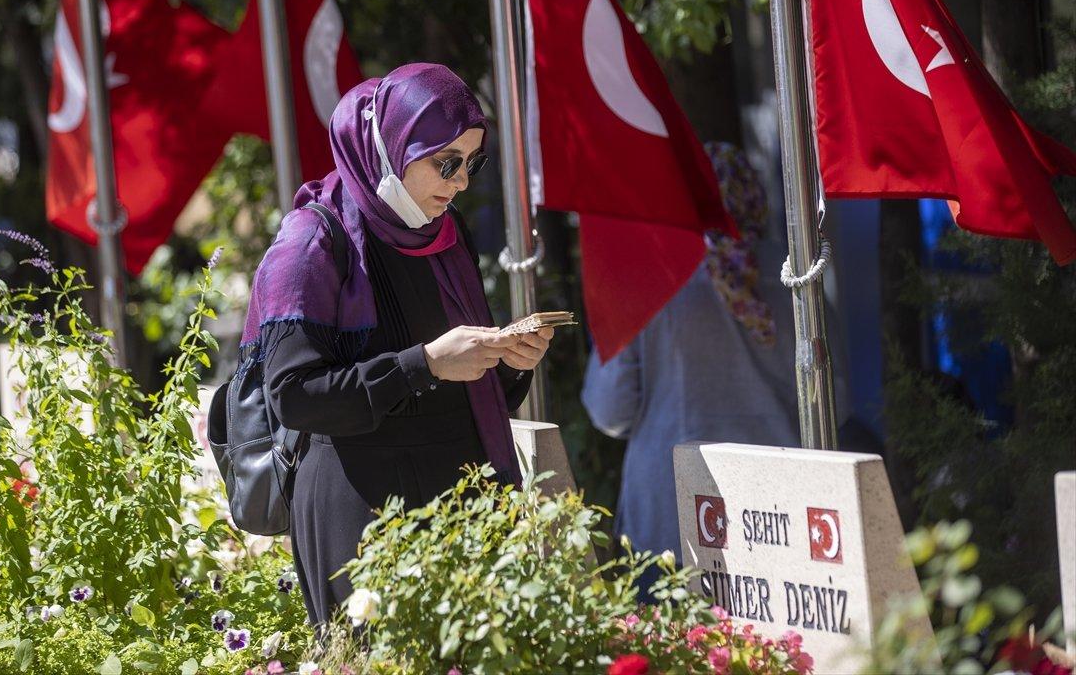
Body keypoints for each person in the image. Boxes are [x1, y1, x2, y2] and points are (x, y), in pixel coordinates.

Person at [241, 63, 554, 628]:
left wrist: (509, 362)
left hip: (462, 503)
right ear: (390, 147)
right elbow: (295, 396)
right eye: (446, 162)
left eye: (473, 163)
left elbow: (463, 389)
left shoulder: (443, 236)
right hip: (361, 513)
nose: (461, 182)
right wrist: (424, 363)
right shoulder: (311, 243)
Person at [581, 143, 840, 590]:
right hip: (778, 519)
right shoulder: (799, 276)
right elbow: (838, 402)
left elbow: (609, 408)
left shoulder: (655, 279)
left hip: (672, 517)